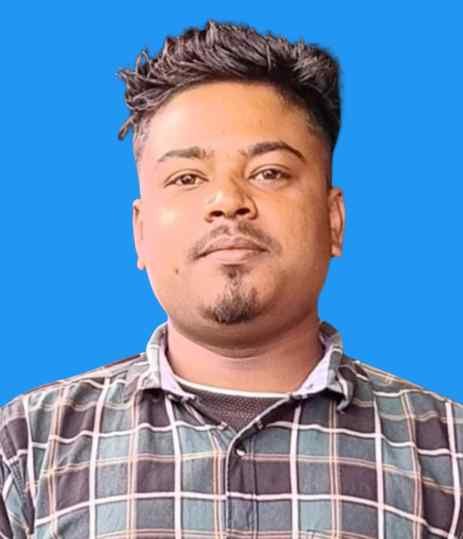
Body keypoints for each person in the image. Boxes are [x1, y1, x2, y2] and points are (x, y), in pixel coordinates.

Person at [1, 20, 462, 539]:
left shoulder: (449, 455)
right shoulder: (26, 449)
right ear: (140, 233)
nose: (227, 201)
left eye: (269, 172)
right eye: (187, 178)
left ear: (334, 221)